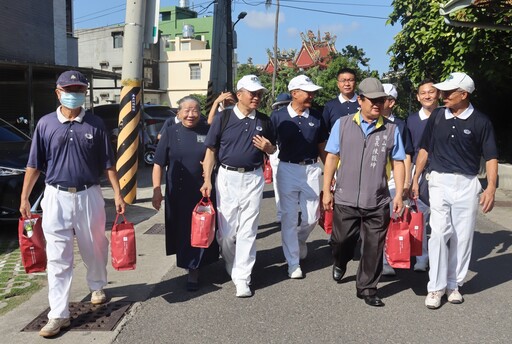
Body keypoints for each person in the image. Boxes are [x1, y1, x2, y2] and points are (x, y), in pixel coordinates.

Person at [19, 70, 126, 338]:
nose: (73, 94)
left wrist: (119, 194)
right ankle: (58, 314)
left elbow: (108, 164)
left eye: (78, 89)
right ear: (58, 93)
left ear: (85, 94)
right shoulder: (45, 124)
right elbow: (34, 164)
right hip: (55, 197)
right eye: (68, 89)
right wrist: (25, 197)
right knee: (58, 258)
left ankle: (98, 284)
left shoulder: (95, 124)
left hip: (89, 195)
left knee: (95, 245)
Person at [411, 72, 498, 309]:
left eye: (449, 92)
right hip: (439, 181)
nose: (443, 95)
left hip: (467, 184)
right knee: (439, 233)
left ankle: (453, 284)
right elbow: (425, 148)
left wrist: (491, 187)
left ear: (464, 94)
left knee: (463, 235)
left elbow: (490, 157)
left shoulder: (481, 122)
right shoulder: (437, 116)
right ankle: (435, 287)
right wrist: (415, 177)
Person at [322, 77, 406, 307]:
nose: (378, 104)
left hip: (377, 198)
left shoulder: (391, 129)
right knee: (341, 240)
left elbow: (398, 162)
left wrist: (398, 193)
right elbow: (331, 158)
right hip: (345, 197)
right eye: (373, 100)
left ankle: (368, 288)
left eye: (382, 100)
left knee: (373, 245)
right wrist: (326, 190)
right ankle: (340, 261)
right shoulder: (343, 124)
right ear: (360, 100)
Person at [200, 75, 276, 298]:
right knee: (226, 232)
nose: (256, 97)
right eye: (252, 93)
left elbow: (272, 150)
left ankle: (243, 277)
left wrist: (268, 147)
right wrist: (206, 180)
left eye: (259, 94)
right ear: (239, 94)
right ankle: (232, 263)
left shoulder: (265, 120)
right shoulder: (223, 118)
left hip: (253, 177)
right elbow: (211, 151)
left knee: (248, 229)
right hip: (226, 178)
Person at [152, 96, 219, 292]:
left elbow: (217, 155)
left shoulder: (208, 131)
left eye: (195, 110)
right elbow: (158, 163)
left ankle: (198, 265)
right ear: (178, 113)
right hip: (178, 191)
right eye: (186, 111)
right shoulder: (171, 133)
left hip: (203, 189)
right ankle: (191, 267)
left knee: (203, 228)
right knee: (183, 230)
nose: (191, 115)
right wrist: (157, 190)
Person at [271, 75, 328, 279]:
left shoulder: (316, 116)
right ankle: (293, 263)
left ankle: (298, 239)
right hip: (287, 169)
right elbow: (269, 144)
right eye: (307, 92)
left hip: (311, 169)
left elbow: (322, 147)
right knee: (288, 216)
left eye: (312, 92)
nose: (312, 95)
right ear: (294, 93)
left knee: (312, 216)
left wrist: (333, 172)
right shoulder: (277, 117)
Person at [405, 79, 440, 272]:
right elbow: (409, 152)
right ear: (418, 97)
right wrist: (410, 179)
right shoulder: (411, 121)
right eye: (423, 93)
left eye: (431, 92)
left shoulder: (446, 116)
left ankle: (438, 258)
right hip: (418, 173)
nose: (427, 96)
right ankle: (421, 257)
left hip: (441, 171)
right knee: (419, 217)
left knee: (441, 220)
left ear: (438, 94)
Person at [380, 84, 414, 276]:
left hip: (394, 177)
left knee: (391, 217)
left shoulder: (400, 125)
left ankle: (386, 260)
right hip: (373, 177)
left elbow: (406, 155)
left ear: (391, 102)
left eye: (382, 99)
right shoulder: (370, 121)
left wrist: (406, 182)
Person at [268, 92, 292, 223]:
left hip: (292, 151)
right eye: (280, 105)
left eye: (285, 105)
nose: (282, 107)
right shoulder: (275, 116)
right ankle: (280, 213)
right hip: (277, 151)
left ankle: (290, 209)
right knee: (278, 183)